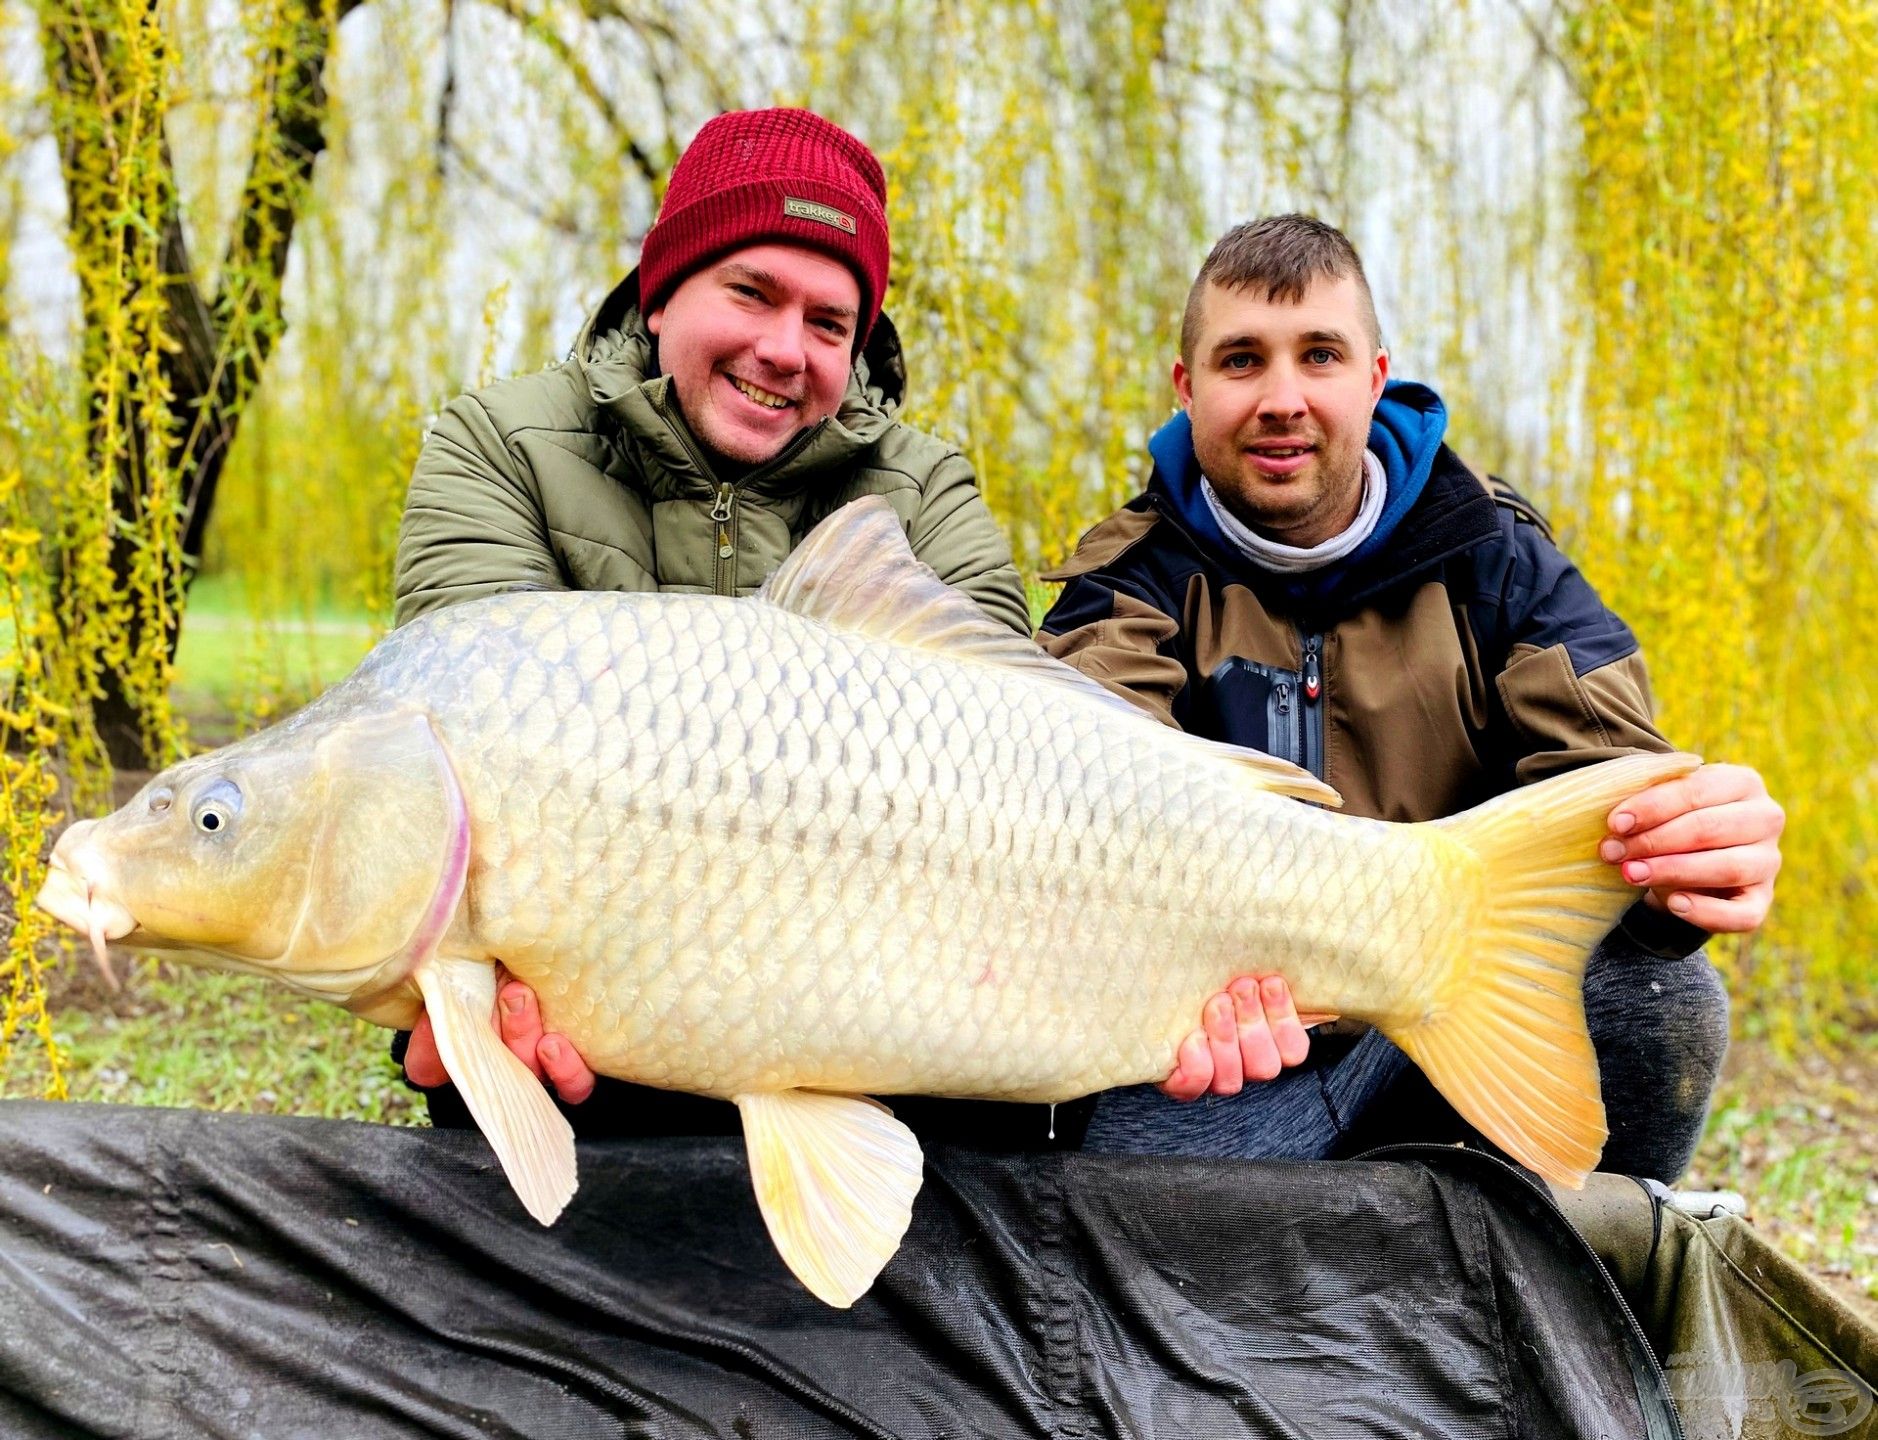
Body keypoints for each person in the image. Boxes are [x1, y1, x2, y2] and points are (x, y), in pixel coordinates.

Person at [390, 108, 1304, 1146]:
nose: (785, 351)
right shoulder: (500, 447)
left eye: (829, 324)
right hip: (589, 1033)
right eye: (751, 293)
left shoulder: (922, 492)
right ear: (660, 291)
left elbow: (1023, 765)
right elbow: (474, 739)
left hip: (897, 1027)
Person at [1035, 214, 1784, 1180]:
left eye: (1319, 356)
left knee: (1658, 994)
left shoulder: (1497, 561)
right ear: (1187, 390)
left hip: (1452, 1022)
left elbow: (1614, 802)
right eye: (1241, 362)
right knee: (1132, 1190)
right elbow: (1076, 816)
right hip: (1233, 1050)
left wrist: (1694, 863)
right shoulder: (1124, 585)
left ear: (1376, 377)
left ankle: (1579, 1292)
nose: (1283, 399)